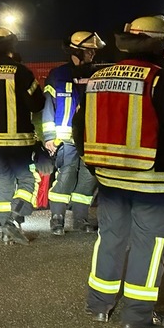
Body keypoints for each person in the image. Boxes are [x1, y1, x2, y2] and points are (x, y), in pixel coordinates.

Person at [72, 14, 164, 328]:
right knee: (149, 246)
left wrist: (94, 165)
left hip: (109, 180)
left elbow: (80, 129)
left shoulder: (99, 78)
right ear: (158, 44)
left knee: (111, 239)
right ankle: (137, 317)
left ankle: (99, 306)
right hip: (154, 183)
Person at [0, 27, 45, 245]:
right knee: (27, 181)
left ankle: (6, 232)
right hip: (19, 139)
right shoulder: (21, 71)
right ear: (11, 46)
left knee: (4, 182)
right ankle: (13, 220)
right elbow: (37, 103)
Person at [41, 31, 105, 235]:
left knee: (88, 179)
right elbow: (48, 106)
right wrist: (49, 137)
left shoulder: (98, 75)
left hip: (90, 139)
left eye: (94, 51)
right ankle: (57, 218)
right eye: (89, 51)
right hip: (65, 140)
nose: (93, 54)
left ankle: (81, 218)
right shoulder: (58, 75)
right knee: (66, 177)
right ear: (77, 51)